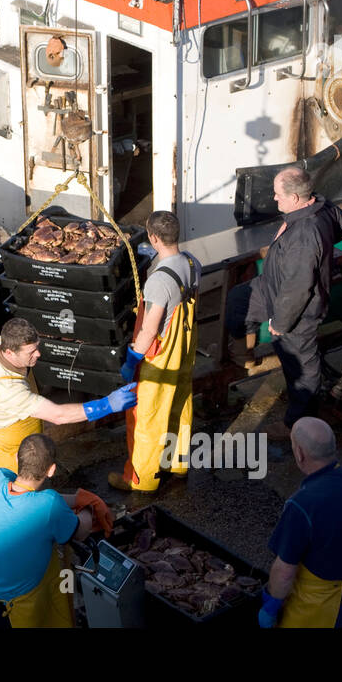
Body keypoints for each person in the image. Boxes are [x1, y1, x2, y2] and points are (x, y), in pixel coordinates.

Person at [225, 167, 342, 433]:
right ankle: (244, 354)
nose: (274, 198)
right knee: (239, 299)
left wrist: (280, 323)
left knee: (301, 365)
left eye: (278, 194)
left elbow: (298, 288)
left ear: (295, 198)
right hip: (270, 287)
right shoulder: (317, 206)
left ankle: (299, 425)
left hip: (296, 306)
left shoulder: (305, 236)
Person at [0, 317, 136, 495]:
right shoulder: (7, 390)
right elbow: (58, 415)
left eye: (37, 347)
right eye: (31, 351)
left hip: (19, 435)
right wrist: (106, 405)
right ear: (9, 353)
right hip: (6, 455)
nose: (38, 354)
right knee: (22, 504)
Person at [0, 433, 104, 628]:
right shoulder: (50, 504)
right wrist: (89, 505)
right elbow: (81, 531)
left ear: (16, 458)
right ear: (51, 470)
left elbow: (28, 495)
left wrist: (76, 498)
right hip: (14, 615)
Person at [110, 210, 200, 492]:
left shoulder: (159, 281)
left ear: (153, 237)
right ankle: (177, 463)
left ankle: (142, 480)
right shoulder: (192, 262)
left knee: (148, 416)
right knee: (179, 403)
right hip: (185, 347)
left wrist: (132, 358)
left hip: (161, 356)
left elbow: (149, 329)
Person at [259, 417, 342, 628]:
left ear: (299, 453)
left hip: (324, 608)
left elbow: (284, 571)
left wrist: (271, 605)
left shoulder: (302, 505)